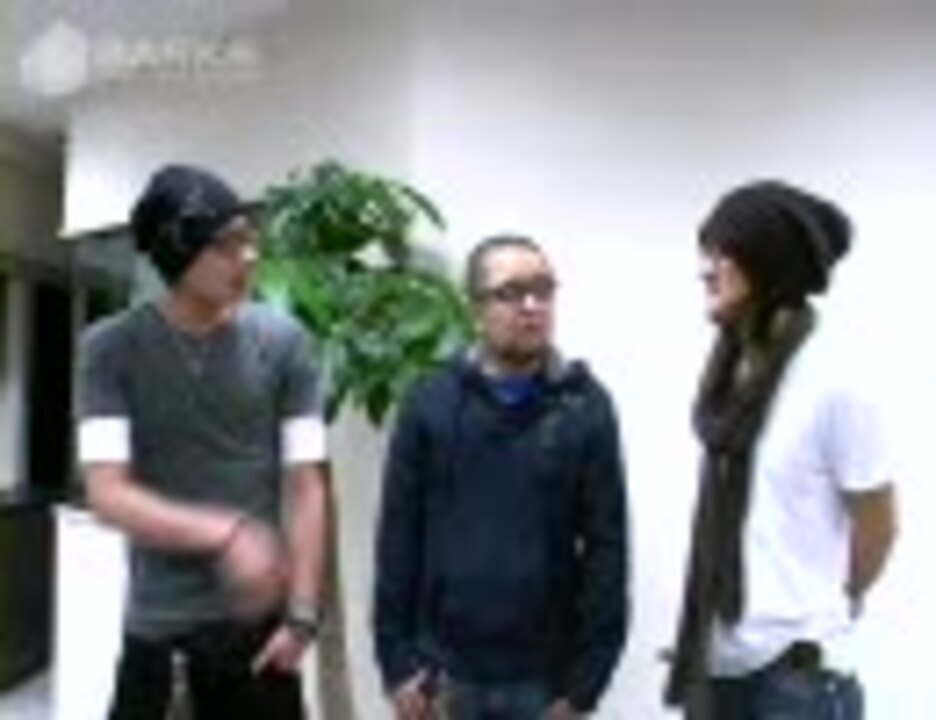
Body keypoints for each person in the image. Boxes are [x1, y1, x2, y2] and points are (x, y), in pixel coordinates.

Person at [77, 164, 329, 719]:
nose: (249, 256)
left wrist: (303, 616)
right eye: (226, 244)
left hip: (259, 637)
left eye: (250, 239)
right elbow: (107, 493)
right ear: (177, 249)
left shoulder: (287, 342)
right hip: (157, 632)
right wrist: (228, 534)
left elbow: (306, 483)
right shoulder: (109, 349)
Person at [664, 181, 898, 719]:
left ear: (768, 262)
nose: (706, 271)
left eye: (720, 254)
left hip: (796, 684)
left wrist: (822, 603)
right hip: (718, 674)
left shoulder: (834, 380)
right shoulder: (729, 382)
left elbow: (879, 525)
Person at [373, 235, 628, 719]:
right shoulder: (430, 402)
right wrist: (396, 664)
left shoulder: (585, 407)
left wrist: (586, 686)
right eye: (511, 293)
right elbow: (398, 538)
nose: (532, 306)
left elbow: (607, 549)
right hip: (442, 676)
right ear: (476, 309)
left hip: (545, 681)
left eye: (543, 290)